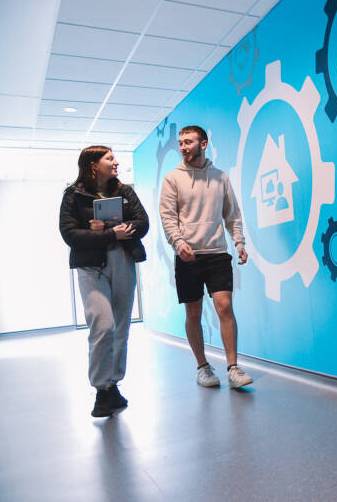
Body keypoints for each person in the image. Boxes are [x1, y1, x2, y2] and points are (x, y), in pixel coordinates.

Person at [159, 125, 253, 389]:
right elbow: (167, 217)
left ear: (203, 143)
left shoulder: (220, 177)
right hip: (188, 257)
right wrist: (178, 243)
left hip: (217, 254)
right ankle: (203, 367)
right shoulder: (172, 179)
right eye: (180, 142)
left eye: (188, 141)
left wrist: (240, 242)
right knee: (194, 312)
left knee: (225, 307)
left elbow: (232, 214)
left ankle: (233, 368)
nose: (183, 146)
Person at [59, 145, 149, 417]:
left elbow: (142, 224)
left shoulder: (124, 191)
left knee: (121, 326)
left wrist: (106, 228)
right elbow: (70, 235)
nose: (116, 162)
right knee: (103, 324)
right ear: (93, 165)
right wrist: (111, 235)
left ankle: (113, 384)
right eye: (110, 158)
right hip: (91, 266)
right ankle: (100, 390)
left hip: (123, 260)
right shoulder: (73, 195)